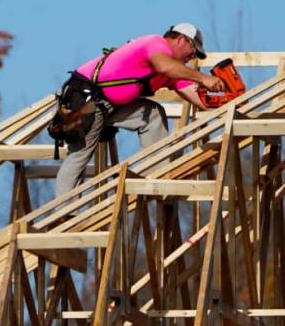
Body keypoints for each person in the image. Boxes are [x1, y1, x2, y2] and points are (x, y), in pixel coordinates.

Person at [53, 23, 224, 197]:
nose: (192, 57)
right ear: (181, 39)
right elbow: (165, 66)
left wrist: (231, 101)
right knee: (80, 153)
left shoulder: (173, 72)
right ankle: (63, 213)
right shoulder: (155, 43)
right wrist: (204, 78)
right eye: (193, 51)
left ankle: (157, 176)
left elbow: (202, 101)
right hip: (84, 100)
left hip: (110, 106)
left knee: (153, 114)